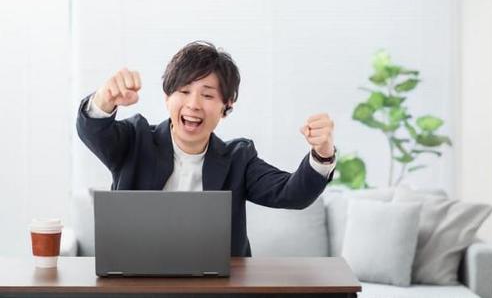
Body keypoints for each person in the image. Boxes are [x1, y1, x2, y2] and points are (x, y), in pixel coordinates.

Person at [76, 41, 336, 256]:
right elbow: (93, 131)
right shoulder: (136, 139)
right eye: (184, 91)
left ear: (226, 105)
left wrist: (323, 153)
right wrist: (104, 99)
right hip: (139, 285)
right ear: (167, 98)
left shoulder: (239, 159)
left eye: (208, 95)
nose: (194, 104)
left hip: (217, 289)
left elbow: (292, 194)